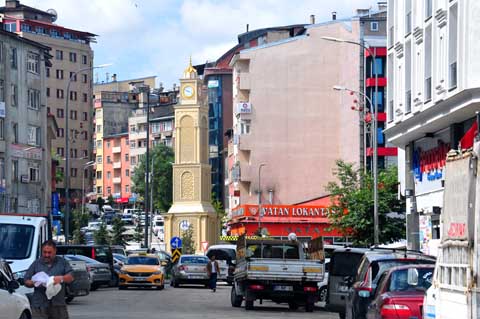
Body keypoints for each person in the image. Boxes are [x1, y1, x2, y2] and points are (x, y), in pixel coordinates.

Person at [24, 240, 74, 319]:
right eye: (44, 252)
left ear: (55, 251)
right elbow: (26, 281)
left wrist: (61, 278)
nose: (46, 255)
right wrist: (35, 283)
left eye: (49, 252)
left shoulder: (62, 262)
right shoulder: (36, 263)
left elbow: (71, 277)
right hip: (39, 305)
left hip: (58, 305)